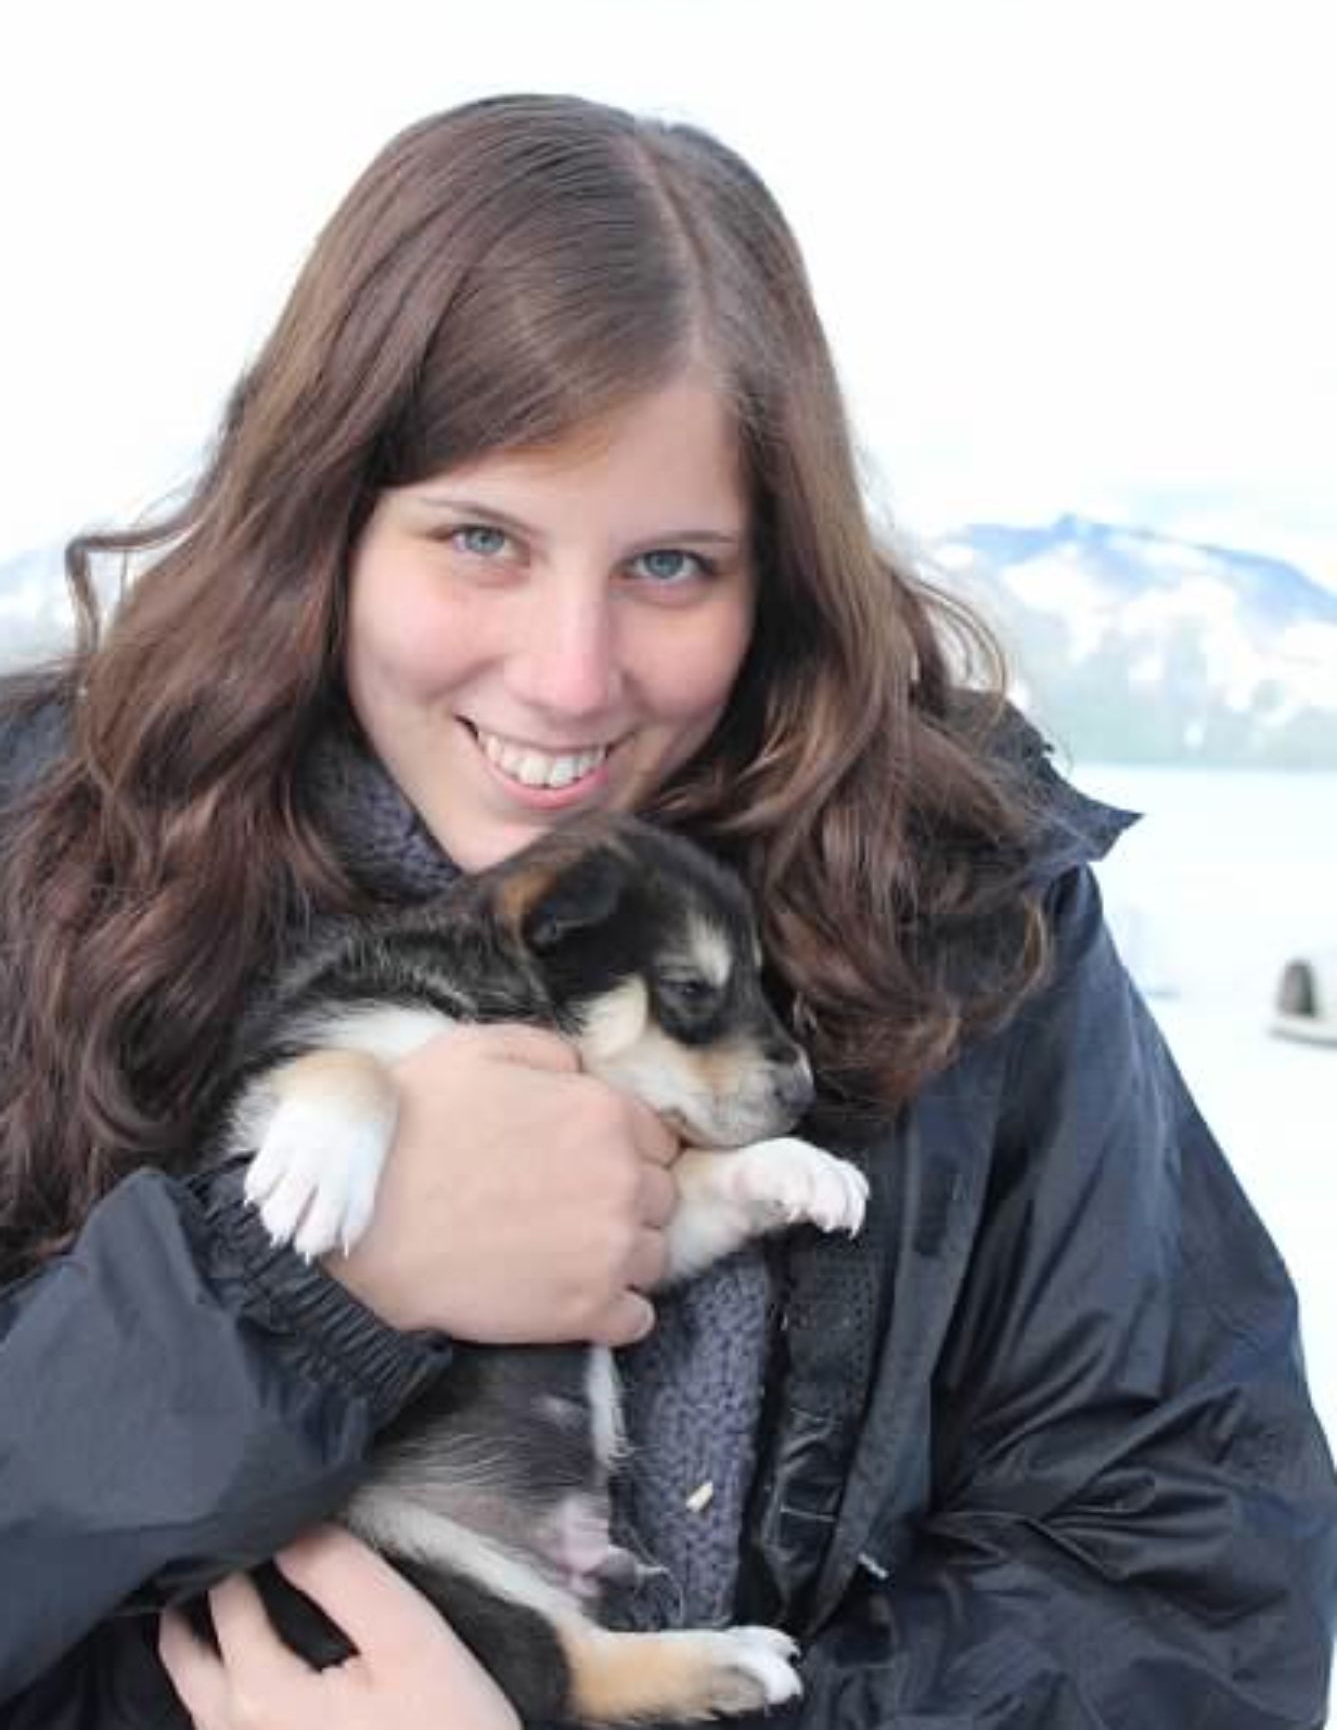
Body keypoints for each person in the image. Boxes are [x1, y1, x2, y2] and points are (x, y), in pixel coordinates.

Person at [0, 93, 1333, 1730]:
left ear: (774, 572)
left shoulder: (944, 908)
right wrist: (288, 1301)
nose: (569, 678)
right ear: (325, 523)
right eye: (481, 538)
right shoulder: (55, 868)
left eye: (671, 567)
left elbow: (1193, 1589)